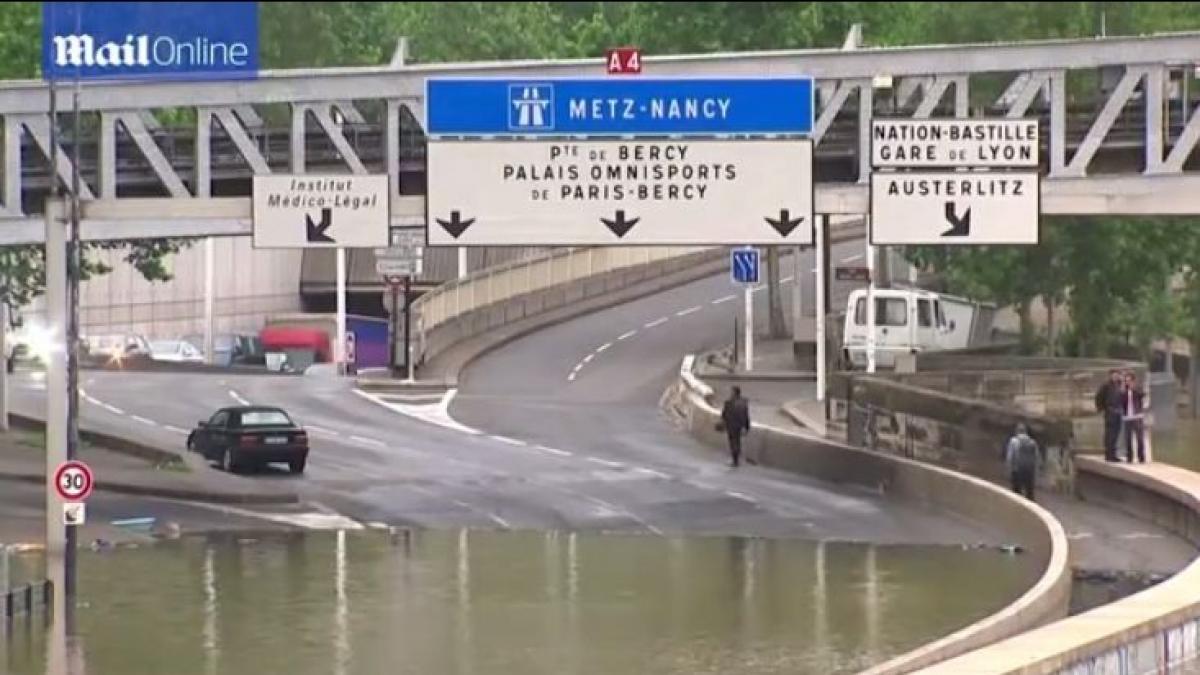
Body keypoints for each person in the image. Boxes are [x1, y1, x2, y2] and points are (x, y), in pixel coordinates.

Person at [1005, 423, 1041, 501]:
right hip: (1029, 470)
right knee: (1029, 492)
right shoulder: (1032, 442)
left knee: (1016, 492)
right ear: (1026, 431)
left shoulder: (1013, 441)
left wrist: (1009, 468)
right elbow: (1037, 457)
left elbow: (1010, 456)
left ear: (1017, 431)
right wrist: (1036, 470)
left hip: (1017, 469)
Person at [1094, 369, 1124, 462]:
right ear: (1111, 375)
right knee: (1110, 434)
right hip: (1110, 411)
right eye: (1114, 375)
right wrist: (1101, 409)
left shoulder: (1120, 385)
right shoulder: (1106, 385)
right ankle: (1108, 454)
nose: (1116, 376)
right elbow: (1098, 397)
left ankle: (1113, 454)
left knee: (1116, 434)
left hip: (1118, 411)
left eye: (1118, 375)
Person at [720, 386, 751, 467]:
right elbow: (746, 416)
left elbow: (724, 415)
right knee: (737, 442)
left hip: (731, 425)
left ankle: (735, 461)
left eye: (731, 392)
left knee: (733, 443)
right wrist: (746, 427)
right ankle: (736, 459)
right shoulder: (743, 403)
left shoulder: (729, 402)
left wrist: (723, 423)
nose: (730, 393)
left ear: (734, 393)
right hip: (739, 426)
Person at [1121, 371, 1147, 463]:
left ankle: (1141, 457)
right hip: (1127, 417)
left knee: (1140, 438)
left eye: (1129, 380)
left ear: (1133, 380)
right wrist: (1124, 389)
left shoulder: (1138, 388)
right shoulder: (1124, 391)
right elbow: (1121, 401)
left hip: (1137, 416)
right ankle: (1129, 457)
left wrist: (1134, 389)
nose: (1128, 382)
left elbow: (1142, 394)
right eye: (1126, 380)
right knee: (1128, 438)